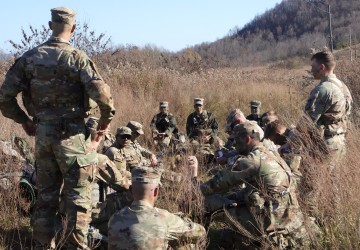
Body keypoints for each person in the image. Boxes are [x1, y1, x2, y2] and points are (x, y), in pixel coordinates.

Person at [0, 7, 116, 249]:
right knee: (78, 199)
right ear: (73, 28)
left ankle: (43, 244)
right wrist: (102, 127)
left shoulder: (29, 59)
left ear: (50, 25)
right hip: (73, 137)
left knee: (46, 197)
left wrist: (24, 119)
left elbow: (4, 97)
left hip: (43, 136)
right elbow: (104, 98)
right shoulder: (77, 58)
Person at [201, 121, 311, 249]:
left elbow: (217, 183)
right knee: (232, 199)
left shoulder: (252, 160)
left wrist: (195, 190)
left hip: (269, 221)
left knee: (207, 201)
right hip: (286, 218)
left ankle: (198, 240)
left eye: (237, 141)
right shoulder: (272, 154)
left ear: (247, 139)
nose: (235, 145)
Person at [108, 166, 206, 249]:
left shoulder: (114, 219)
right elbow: (200, 232)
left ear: (131, 190)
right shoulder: (165, 218)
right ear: (156, 192)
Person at [304, 50, 353, 171]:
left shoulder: (324, 89)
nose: (311, 70)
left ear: (322, 67)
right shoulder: (342, 86)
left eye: (313, 67)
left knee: (314, 186)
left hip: (326, 144)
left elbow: (307, 122)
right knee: (334, 185)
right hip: (340, 142)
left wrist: (288, 144)